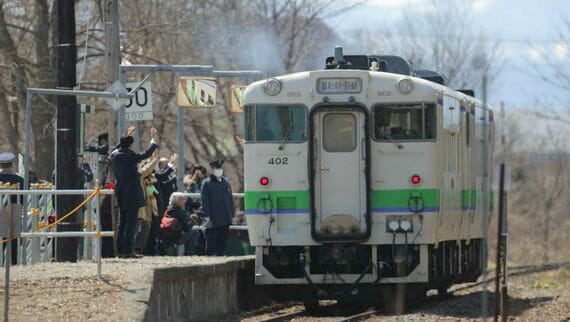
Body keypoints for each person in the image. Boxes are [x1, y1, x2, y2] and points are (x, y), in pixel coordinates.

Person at [111, 127, 159, 258]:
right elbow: (146, 154)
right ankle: (128, 250)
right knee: (131, 224)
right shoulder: (130, 156)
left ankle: (120, 250)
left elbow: (117, 148)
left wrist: (126, 136)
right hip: (132, 194)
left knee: (122, 223)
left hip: (121, 193)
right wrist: (154, 140)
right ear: (131, 145)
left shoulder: (114, 155)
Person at [201, 159, 234, 256]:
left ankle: (221, 255)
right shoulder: (207, 183)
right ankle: (210, 258)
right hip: (213, 217)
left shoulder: (225, 182)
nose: (218, 170)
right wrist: (206, 216)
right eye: (216, 168)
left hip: (225, 216)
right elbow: (205, 201)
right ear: (212, 170)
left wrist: (231, 214)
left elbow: (230, 199)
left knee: (222, 241)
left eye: (220, 168)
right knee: (211, 240)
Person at [0, 152, 24, 265]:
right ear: (12, 164)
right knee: (13, 241)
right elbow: (23, 198)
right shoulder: (19, 179)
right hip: (14, 210)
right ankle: (13, 263)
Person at [135, 154, 159, 256]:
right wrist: (154, 159)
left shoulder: (144, 178)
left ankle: (139, 248)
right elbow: (147, 170)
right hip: (137, 207)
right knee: (136, 228)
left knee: (146, 226)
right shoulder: (136, 174)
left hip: (144, 209)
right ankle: (134, 248)